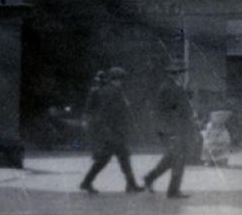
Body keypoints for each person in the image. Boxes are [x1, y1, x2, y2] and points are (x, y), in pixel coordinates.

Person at [79, 67, 143, 194]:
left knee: (112, 159)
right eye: (120, 79)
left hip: (111, 131)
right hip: (114, 132)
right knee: (118, 158)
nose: (121, 82)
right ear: (116, 79)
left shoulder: (107, 90)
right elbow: (111, 112)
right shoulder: (114, 91)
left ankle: (87, 182)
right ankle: (131, 185)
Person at [143, 61, 195, 199]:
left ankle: (149, 178)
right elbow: (177, 108)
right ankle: (173, 191)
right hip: (172, 129)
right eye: (177, 73)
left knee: (171, 157)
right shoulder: (172, 88)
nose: (179, 75)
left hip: (168, 128)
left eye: (179, 72)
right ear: (171, 74)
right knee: (178, 157)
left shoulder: (170, 87)